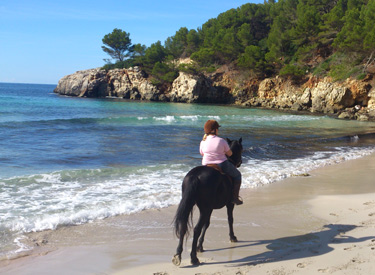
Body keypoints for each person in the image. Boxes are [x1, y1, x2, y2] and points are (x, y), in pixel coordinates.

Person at [199, 120, 243, 205]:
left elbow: (202, 153)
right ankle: (235, 198)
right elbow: (230, 154)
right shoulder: (221, 140)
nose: (218, 130)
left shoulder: (203, 141)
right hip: (221, 164)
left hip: (205, 164)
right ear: (214, 130)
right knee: (237, 175)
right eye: (217, 128)